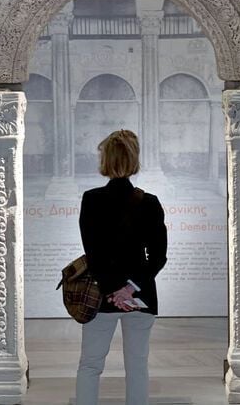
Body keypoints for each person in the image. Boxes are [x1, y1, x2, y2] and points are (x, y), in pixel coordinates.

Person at [75, 129, 168, 405]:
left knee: (90, 366)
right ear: (133, 159)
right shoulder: (149, 202)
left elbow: (94, 255)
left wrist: (114, 290)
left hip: (100, 297)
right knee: (138, 367)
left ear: (105, 160)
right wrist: (129, 289)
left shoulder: (91, 199)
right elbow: (158, 257)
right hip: (140, 298)